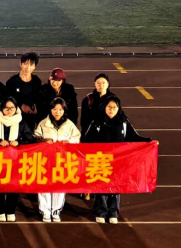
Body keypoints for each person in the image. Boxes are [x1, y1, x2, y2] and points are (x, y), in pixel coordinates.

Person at [83, 96, 151, 224]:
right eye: (109, 107)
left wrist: (149, 141)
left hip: (118, 161)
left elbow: (133, 136)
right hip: (101, 160)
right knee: (101, 185)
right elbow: (87, 140)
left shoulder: (123, 122)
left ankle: (113, 211)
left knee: (116, 185)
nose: (111, 110)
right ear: (104, 107)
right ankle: (101, 211)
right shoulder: (97, 122)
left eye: (114, 107)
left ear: (118, 108)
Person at [0, 96, 35, 222]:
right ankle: (0, 211)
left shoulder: (21, 122)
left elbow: (30, 139)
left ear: (16, 109)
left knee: (13, 186)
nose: (9, 110)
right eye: (6, 108)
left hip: (15, 160)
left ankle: (10, 211)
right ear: (1, 109)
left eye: (12, 108)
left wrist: (19, 142)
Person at [33, 98, 81, 222]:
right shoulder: (43, 123)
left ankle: (56, 210)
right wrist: (44, 140)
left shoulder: (69, 124)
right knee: (44, 184)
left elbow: (77, 137)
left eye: (60, 109)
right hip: (46, 160)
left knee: (59, 185)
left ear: (64, 110)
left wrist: (69, 141)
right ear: (51, 110)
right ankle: (45, 211)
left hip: (62, 160)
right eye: (55, 109)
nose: (57, 112)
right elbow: (36, 136)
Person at [6, 52, 42, 130]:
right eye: (26, 64)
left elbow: (38, 98)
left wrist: (35, 107)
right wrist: (21, 105)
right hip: (15, 119)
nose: (28, 68)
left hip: (30, 119)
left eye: (31, 65)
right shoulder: (12, 82)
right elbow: (8, 100)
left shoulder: (37, 81)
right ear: (21, 64)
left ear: (35, 67)